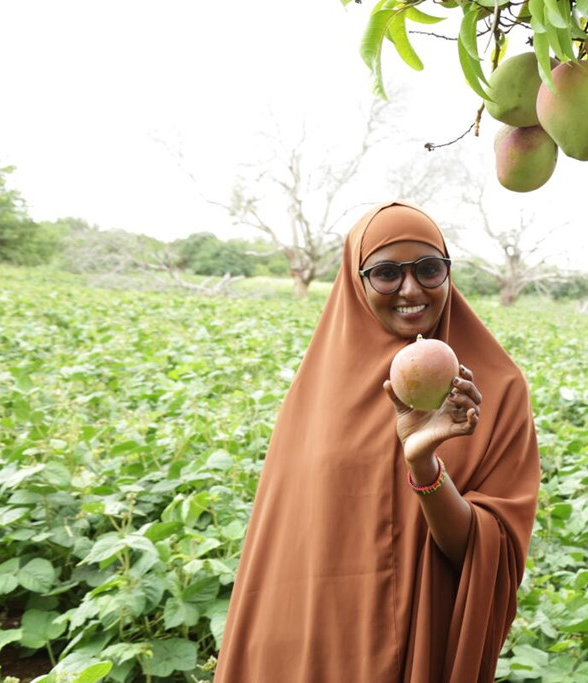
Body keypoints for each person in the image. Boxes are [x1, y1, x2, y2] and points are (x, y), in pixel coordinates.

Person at [213, 201, 541, 682]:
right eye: (386, 273)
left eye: (430, 269)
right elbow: (284, 551)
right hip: (313, 642)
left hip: (419, 640)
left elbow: (486, 553)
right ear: (355, 280)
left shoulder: (496, 387)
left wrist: (424, 465)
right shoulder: (319, 392)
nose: (411, 289)